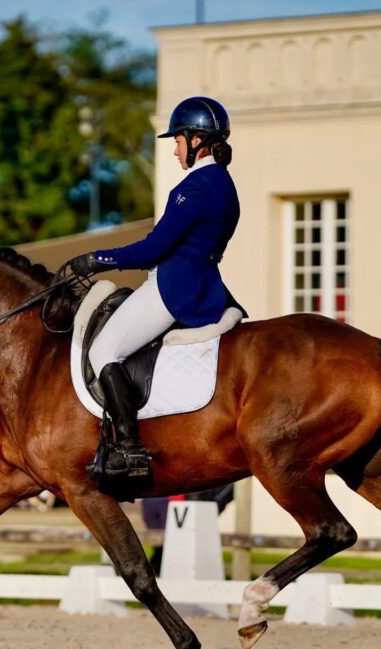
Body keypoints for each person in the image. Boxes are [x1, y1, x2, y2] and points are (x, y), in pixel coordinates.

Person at [67, 96, 242, 479]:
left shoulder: (193, 187)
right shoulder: (226, 186)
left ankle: (129, 449)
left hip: (174, 286)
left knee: (103, 352)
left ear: (197, 139)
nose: (176, 149)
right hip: (206, 283)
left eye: (178, 140)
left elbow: (153, 250)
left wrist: (97, 259)